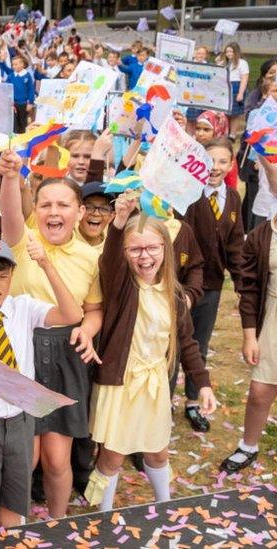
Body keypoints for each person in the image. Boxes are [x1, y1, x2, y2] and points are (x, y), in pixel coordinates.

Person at [86, 197, 217, 511]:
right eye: (135, 249)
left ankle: (165, 507)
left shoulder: (173, 293)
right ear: (126, 252)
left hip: (154, 381)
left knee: (158, 451)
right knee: (113, 454)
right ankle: (104, 515)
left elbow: (187, 343)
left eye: (152, 248)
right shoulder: (122, 285)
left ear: (165, 249)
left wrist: (203, 384)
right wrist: (117, 223)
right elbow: (109, 260)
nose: (144, 256)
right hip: (122, 382)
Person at [0, 236, 83, 532]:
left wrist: (46, 264)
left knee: (14, 504)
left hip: (21, 421)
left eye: (3, 277)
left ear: (12, 276)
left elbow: (73, 314)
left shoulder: (22, 307)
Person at [0, 150, 103, 519]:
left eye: (63, 205)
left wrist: (88, 332)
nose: (53, 212)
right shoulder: (21, 241)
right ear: (36, 211)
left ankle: (58, 524)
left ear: (79, 212)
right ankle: (13, 524)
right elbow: (11, 213)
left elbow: (93, 309)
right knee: (24, 456)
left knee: (58, 459)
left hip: (65, 357)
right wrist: (11, 177)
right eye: (45, 205)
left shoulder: (91, 257)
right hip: (20, 352)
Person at [179, 138, 244, 433]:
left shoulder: (232, 199)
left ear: (231, 165)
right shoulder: (188, 194)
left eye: (222, 161)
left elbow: (235, 246)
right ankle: (160, 403)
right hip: (182, 285)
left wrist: (244, 286)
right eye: (209, 160)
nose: (214, 167)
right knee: (173, 344)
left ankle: (193, 401)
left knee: (199, 344)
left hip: (213, 286)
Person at [225, 158, 277, 473]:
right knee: (260, 391)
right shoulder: (261, 236)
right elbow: (249, 288)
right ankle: (249, 445)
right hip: (273, 316)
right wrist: (248, 334)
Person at [220, 42, 250, 139]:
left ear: (236, 52)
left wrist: (240, 93)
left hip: (236, 87)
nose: (229, 54)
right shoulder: (226, 63)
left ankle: (232, 135)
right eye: (227, 52)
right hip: (225, 88)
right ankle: (225, 132)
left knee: (234, 113)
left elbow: (244, 79)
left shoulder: (242, 63)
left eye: (231, 51)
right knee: (225, 112)